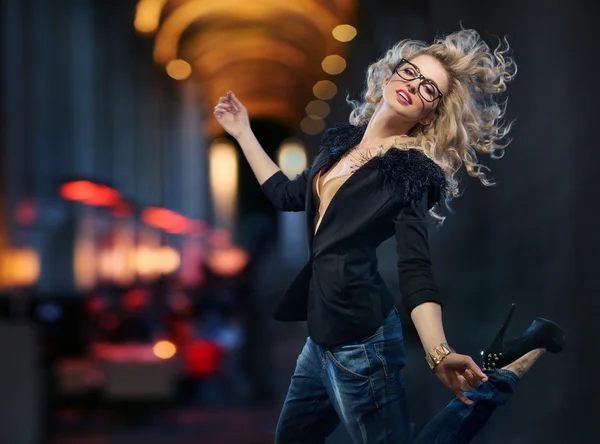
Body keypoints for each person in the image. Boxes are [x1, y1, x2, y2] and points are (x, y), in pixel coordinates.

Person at [213, 28, 565, 444]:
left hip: (362, 344)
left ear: (428, 115)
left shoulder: (410, 172)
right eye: (410, 73)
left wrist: (438, 353)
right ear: (387, 78)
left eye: (429, 88)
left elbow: (415, 267)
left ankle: (501, 374)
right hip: (319, 340)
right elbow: (287, 194)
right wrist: (242, 133)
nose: (414, 86)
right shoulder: (338, 144)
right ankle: (504, 363)